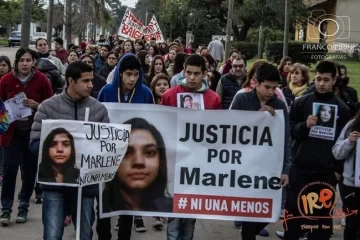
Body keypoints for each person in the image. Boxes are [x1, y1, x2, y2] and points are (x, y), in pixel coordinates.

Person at [29, 61, 109, 239]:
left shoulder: (99, 109)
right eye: (85, 81)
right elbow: (34, 144)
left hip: (85, 185)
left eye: (92, 80)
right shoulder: (47, 107)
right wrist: (53, 148)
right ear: (71, 81)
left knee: (85, 234)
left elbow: (106, 146)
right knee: (52, 234)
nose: (91, 85)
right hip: (54, 184)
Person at [283, 60, 351, 239]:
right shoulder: (302, 102)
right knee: (294, 219)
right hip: (300, 169)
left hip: (325, 172)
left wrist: (338, 170)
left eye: (326, 80)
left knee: (320, 224)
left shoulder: (343, 109)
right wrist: (304, 125)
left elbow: (345, 143)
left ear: (334, 80)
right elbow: (290, 131)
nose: (321, 84)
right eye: (319, 79)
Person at [161, 54, 221, 240]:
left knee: (190, 214)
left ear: (204, 74)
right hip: (175, 162)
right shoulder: (169, 95)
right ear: (183, 72)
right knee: (174, 213)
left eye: (197, 73)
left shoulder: (213, 99)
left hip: (199, 165)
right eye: (189, 73)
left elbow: (219, 130)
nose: (192, 78)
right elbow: (162, 126)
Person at [229, 62, 291, 240]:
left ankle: (250, 230)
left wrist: (285, 169)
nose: (271, 92)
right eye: (267, 87)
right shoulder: (242, 99)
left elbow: (285, 138)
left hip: (269, 166)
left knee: (269, 211)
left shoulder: (279, 105)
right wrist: (256, 117)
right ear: (256, 82)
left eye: (274, 88)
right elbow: (229, 126)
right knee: (250, 214)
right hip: (245, 165)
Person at [97, 53, 154, 239]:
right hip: (109, 155)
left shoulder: (145, 93)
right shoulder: (106, 91)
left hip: (133, 158)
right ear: (120, 73)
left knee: (128, 202)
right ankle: (104, 235)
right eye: (128, 74)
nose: (132, 79)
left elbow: (154, 122)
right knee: (105, 200)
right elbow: (97, 121)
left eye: (136, 74)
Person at [0, 48, 53, 226]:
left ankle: (23, 205)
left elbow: (50, 105)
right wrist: (6, 111)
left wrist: (37, 105)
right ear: (16, 62)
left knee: (29, 171)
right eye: (21, 60)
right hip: (11, 134)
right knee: (9, 170)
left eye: (28, 60)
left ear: (33, 63)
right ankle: (6, 208)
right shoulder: (6, 80)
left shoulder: (42, 80)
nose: (24, 64)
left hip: (32, 133)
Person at [102, 117, 172, 212]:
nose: (138, 162)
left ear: (161, 160)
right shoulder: (102, 205)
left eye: (149, 153)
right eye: (126, 153)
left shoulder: (172, 207)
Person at [333, 112, 360, 240]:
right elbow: (337, 152)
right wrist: (349, 141)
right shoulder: (352, 124)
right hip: (352, 185)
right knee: (352, 225)